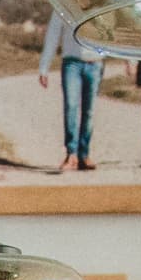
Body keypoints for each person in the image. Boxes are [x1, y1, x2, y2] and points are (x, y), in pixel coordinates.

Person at [37, 12, 103, 172]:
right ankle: (71, 154)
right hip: (72, 63)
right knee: (71, 106)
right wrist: (44, 67)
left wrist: (130, 59)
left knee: (89, 111)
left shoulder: (99, 4)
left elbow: (112, 32)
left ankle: (84, 155)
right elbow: (53, 34)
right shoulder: (63, 4)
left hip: (95, 63)